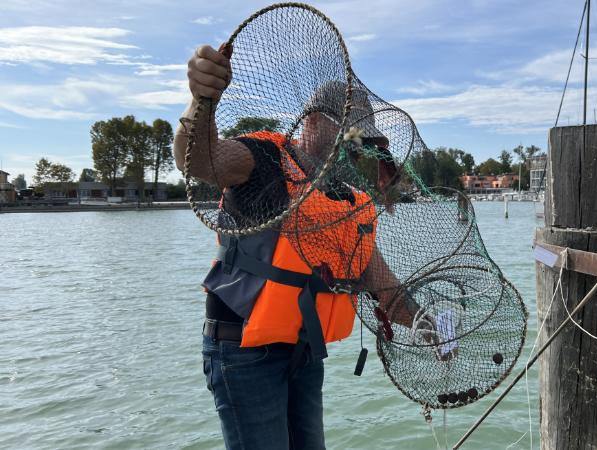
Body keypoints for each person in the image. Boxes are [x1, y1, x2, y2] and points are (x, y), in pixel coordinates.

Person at [174, 43, 445, 450]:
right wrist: (202, 102)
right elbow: (198, 160)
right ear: (314, 121)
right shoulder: (263, 158)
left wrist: (430, 325)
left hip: (302, 350)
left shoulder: (349, 200)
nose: (356, 148)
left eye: (363, 140)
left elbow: (385, 289)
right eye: (350, 134)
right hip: (242, 351)